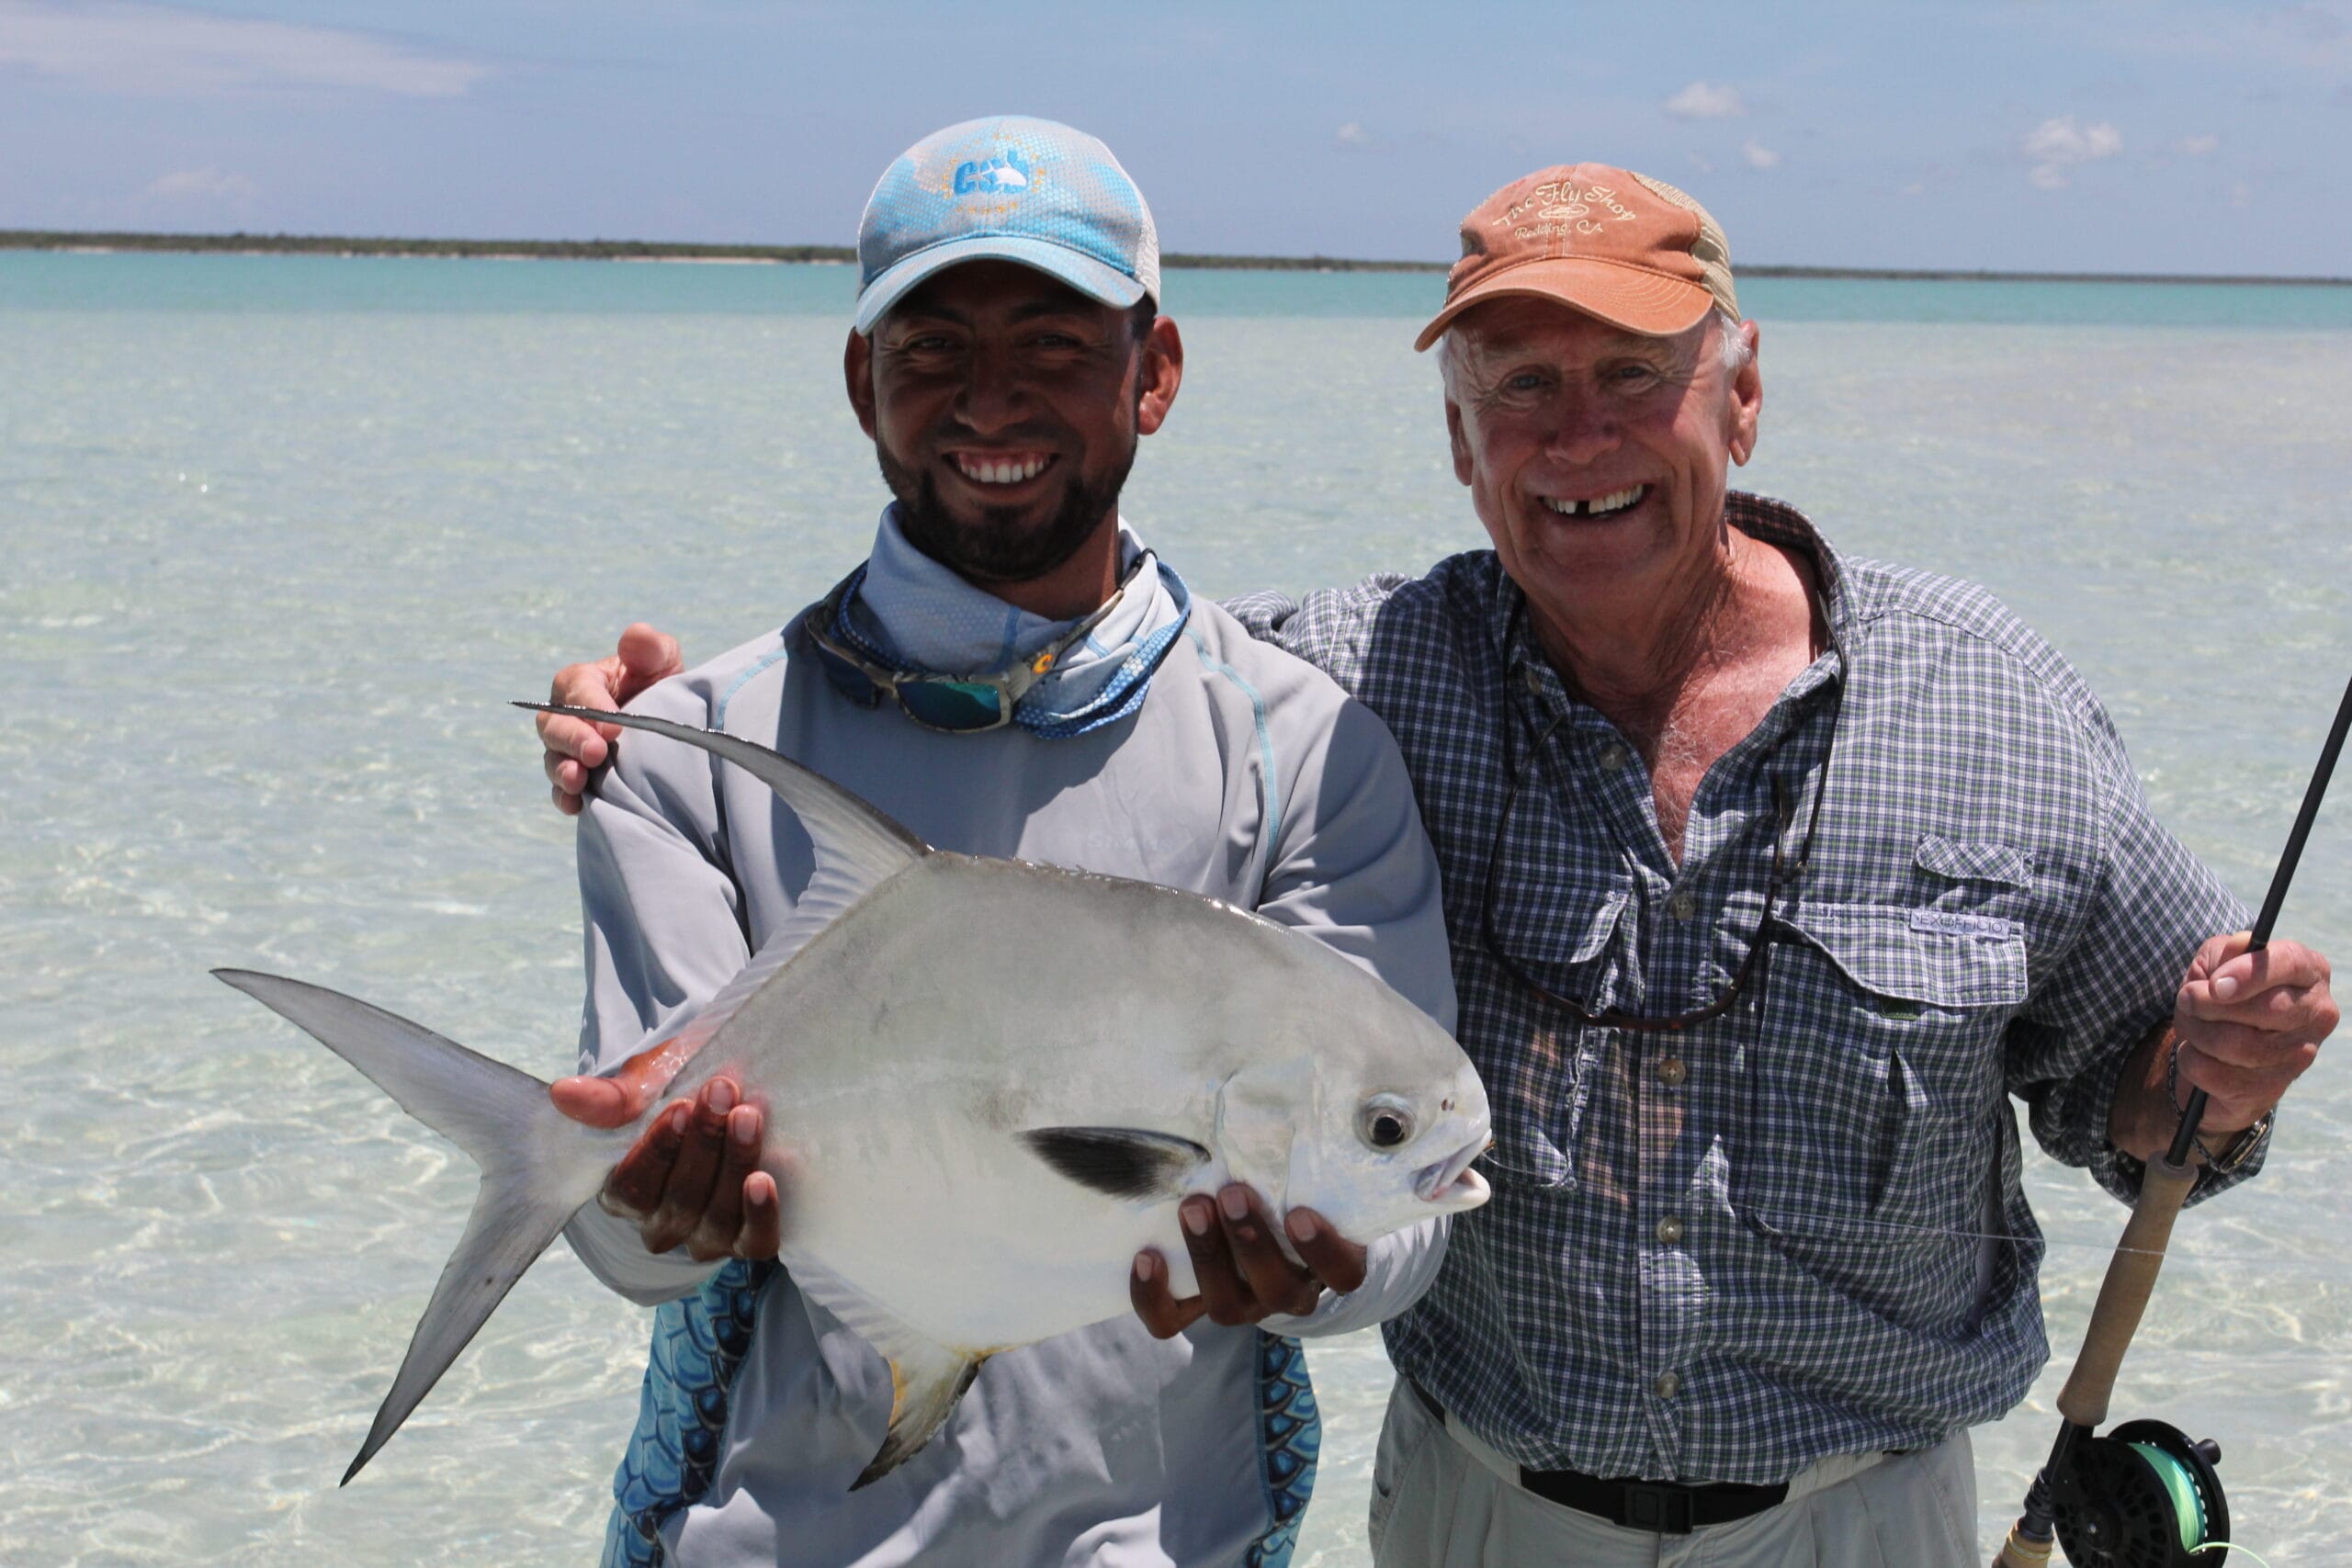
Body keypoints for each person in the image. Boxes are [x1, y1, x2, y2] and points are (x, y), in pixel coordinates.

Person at [548, 163, 2338, 1564]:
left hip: (1866, 1511)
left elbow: (2150, 1097)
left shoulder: (1990, 695)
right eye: (1518, 386)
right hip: (1473, 1511)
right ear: (1455, 437)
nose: (1576, 439)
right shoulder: (1349, 678)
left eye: (1633, 377)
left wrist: (2205, 1072)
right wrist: (669, 714)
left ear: (1741, 396)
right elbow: (1039, 679)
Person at [538, 115, 1458, 1568]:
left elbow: (1394, 1230)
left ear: (1152, 374)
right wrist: (653, 1209)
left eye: (1053, 346)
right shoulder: (688, 751)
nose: (991, 404)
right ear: (862, 382)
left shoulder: (1303, 749)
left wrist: (1305, 1276)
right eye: (932, 350)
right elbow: (614, 1245)